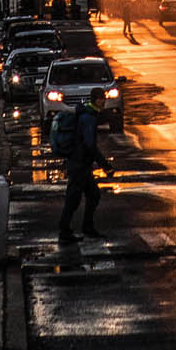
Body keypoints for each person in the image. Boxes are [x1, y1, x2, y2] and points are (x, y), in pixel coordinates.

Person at [58, 86, 114, 243]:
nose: (104, 101)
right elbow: (90, 145)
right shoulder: (89, 117)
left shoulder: (87, 114)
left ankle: (87, 227)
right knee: (73, 198)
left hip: (80, 163)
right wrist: (104, 164)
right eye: (102, 98)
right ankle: (64, 231)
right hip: (79, 164)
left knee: (93, 195)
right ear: (96, 100)